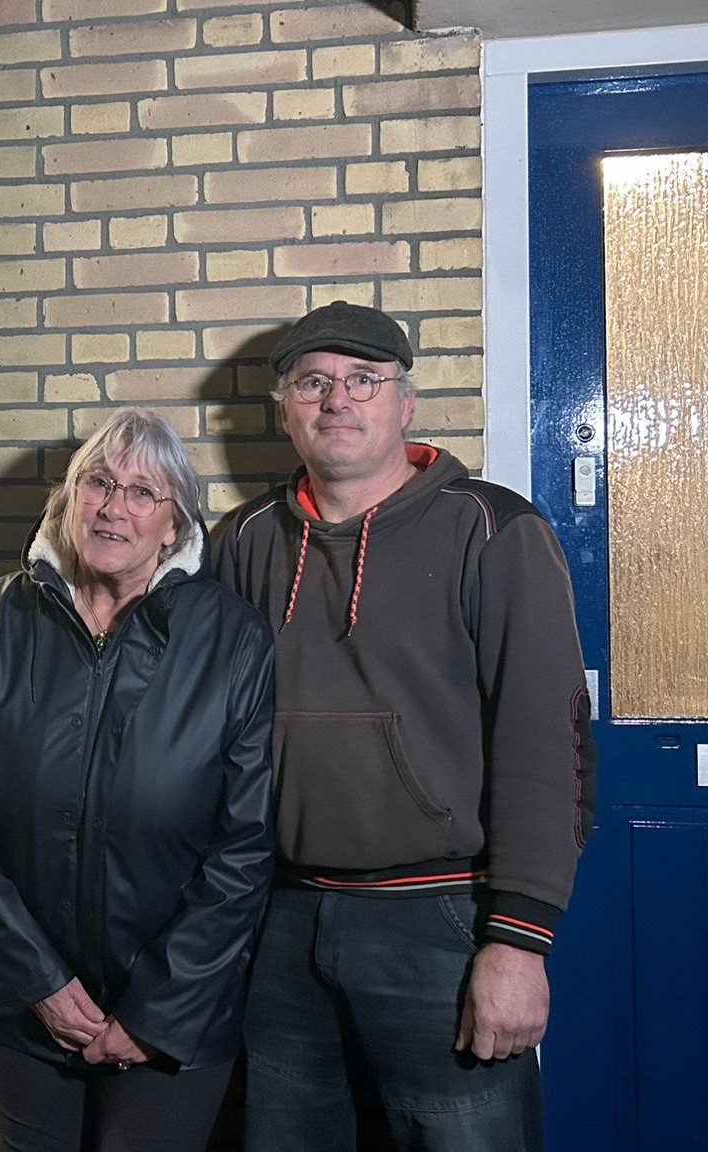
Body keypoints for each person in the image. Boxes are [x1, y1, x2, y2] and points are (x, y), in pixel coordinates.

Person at [213, 302, 597, 1152]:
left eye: (363, 381)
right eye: (313, 383)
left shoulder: (493, 529)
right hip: (278, 923)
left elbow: (548, 748)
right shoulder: (242, 541)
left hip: (441, 924)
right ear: (284, 410)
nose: (337, 400)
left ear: (404, 404)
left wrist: (519, 944)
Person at [0, 408, 277, 1152]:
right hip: (28, 1007)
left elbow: (247, 846)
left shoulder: (234, 639)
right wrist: (37, 979)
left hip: (177, 1016)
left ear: (175, 526)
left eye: (143, 493)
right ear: (68, 498)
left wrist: (156, 1012)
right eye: (99, 483)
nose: (115, 508)